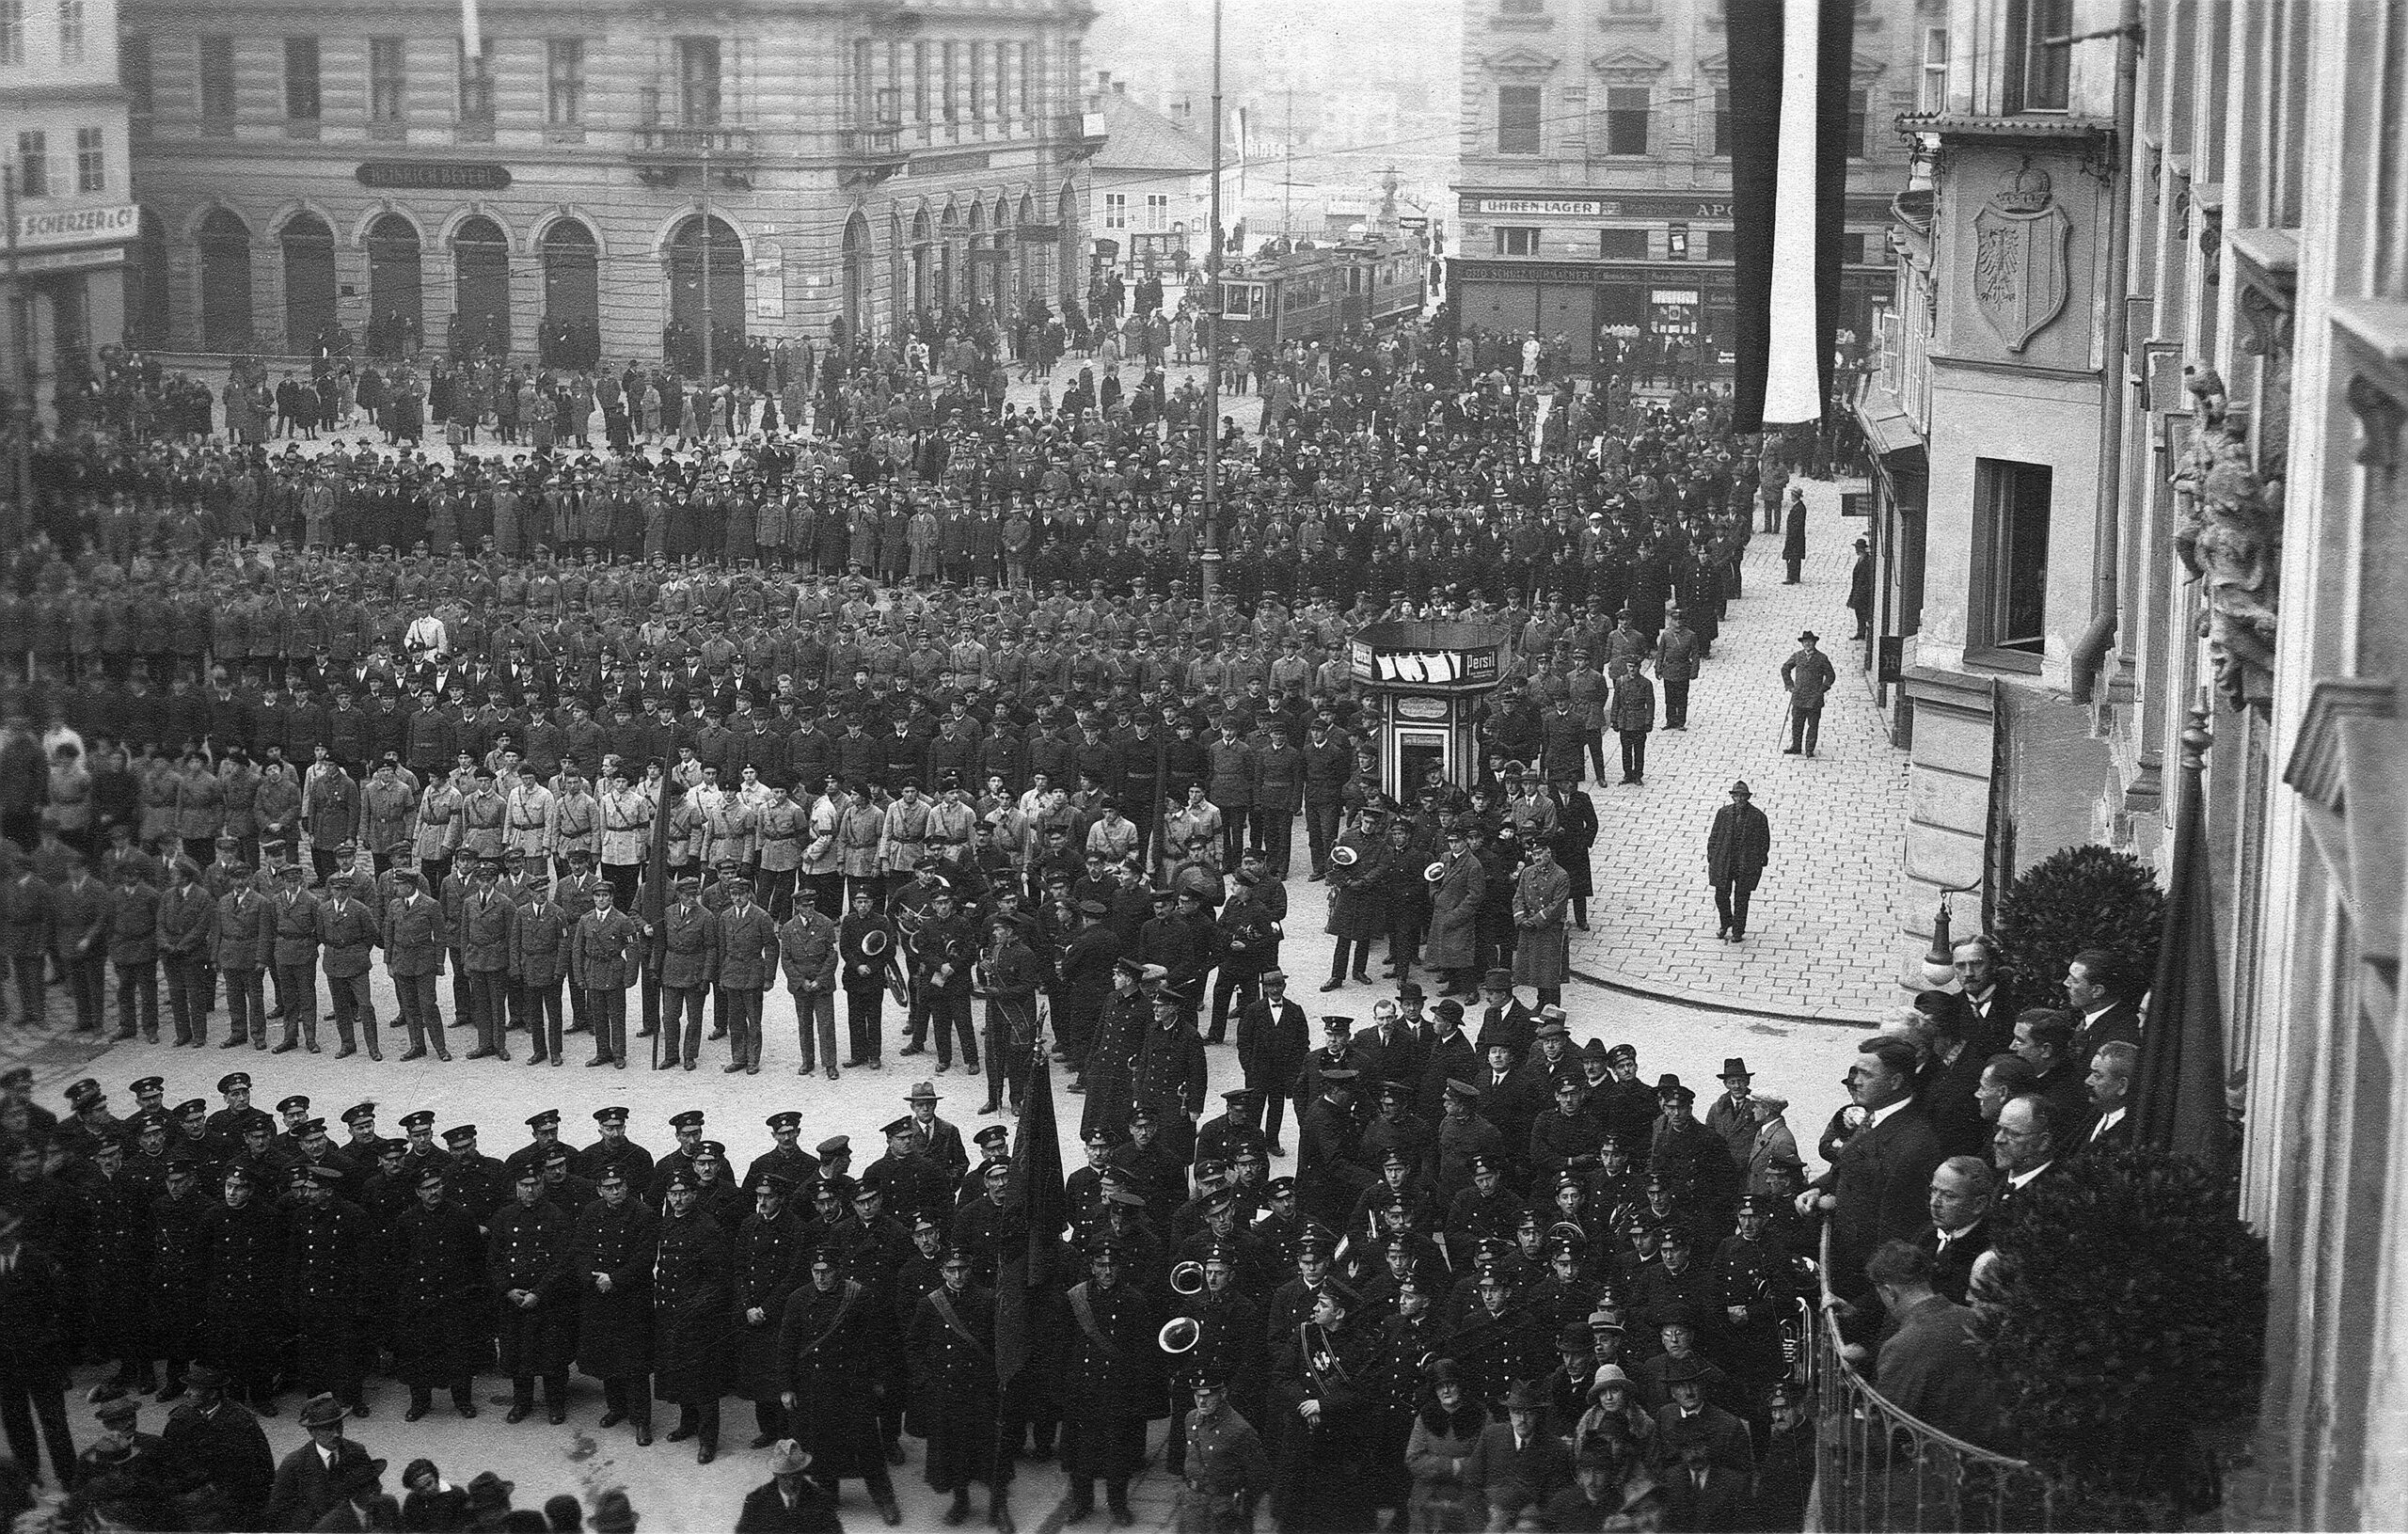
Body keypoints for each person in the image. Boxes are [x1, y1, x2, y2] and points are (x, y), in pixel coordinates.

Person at [1704, 782, 1770, 942]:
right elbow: (1714, 835)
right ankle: (1726, 922)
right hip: (1724, 861)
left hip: (1746, 864)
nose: (1739, 799)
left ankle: (1738, 930)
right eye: (1736, 796)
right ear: (1732, 797)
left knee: (1741, 898)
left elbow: (1764, 841)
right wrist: (1712, 855)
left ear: (1747, 797)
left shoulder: (1758, 817)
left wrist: (1759, 860)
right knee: (1721, 895)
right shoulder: (1723, 813)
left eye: (1742, 796)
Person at [737, 1440, 844, 1534]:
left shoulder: (821, 1500)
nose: (791, 1482)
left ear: (803, 1472)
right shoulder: (756, 1502)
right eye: (785, 1477)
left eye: (795, 1476)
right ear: (775, 1474)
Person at [1778, 632, 1836, 758]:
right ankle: (1796, 747)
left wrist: (1822, 689)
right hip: (1799, 696)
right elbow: (1785, 668)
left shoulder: (1822, 658)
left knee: (1813, 724)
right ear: (1802, 644)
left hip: (1815, 698)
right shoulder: (1797, 656)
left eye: (1810, 642)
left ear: (1814, 643)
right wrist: (1790, 685)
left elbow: (1831, 675)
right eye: (1805, 642)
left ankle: (1809, 749)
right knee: (1797, 724)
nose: (1807, 644)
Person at [1781, 487, 1808, 584]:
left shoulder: (1799, 508)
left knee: (1793, 557)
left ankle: (1792, 577)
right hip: (1797, 536)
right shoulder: (1799, 507)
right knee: (1794, 557)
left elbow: (1796, 524)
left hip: (1795, 537)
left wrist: (1791, 535)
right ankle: (1794, 576)